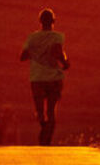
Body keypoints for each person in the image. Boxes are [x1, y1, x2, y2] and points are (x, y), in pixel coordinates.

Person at [20, 8, 69, 146]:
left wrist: (36, 53)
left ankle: (43, 128)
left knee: (40, 111)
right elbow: (58, 52)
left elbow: (23, 56)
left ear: (40, 21)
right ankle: (46, 139)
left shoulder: (32, 38)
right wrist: (66, 63)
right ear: (53, 21)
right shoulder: (57, 37)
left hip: (37, 79)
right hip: (54, 79)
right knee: (51, 111)